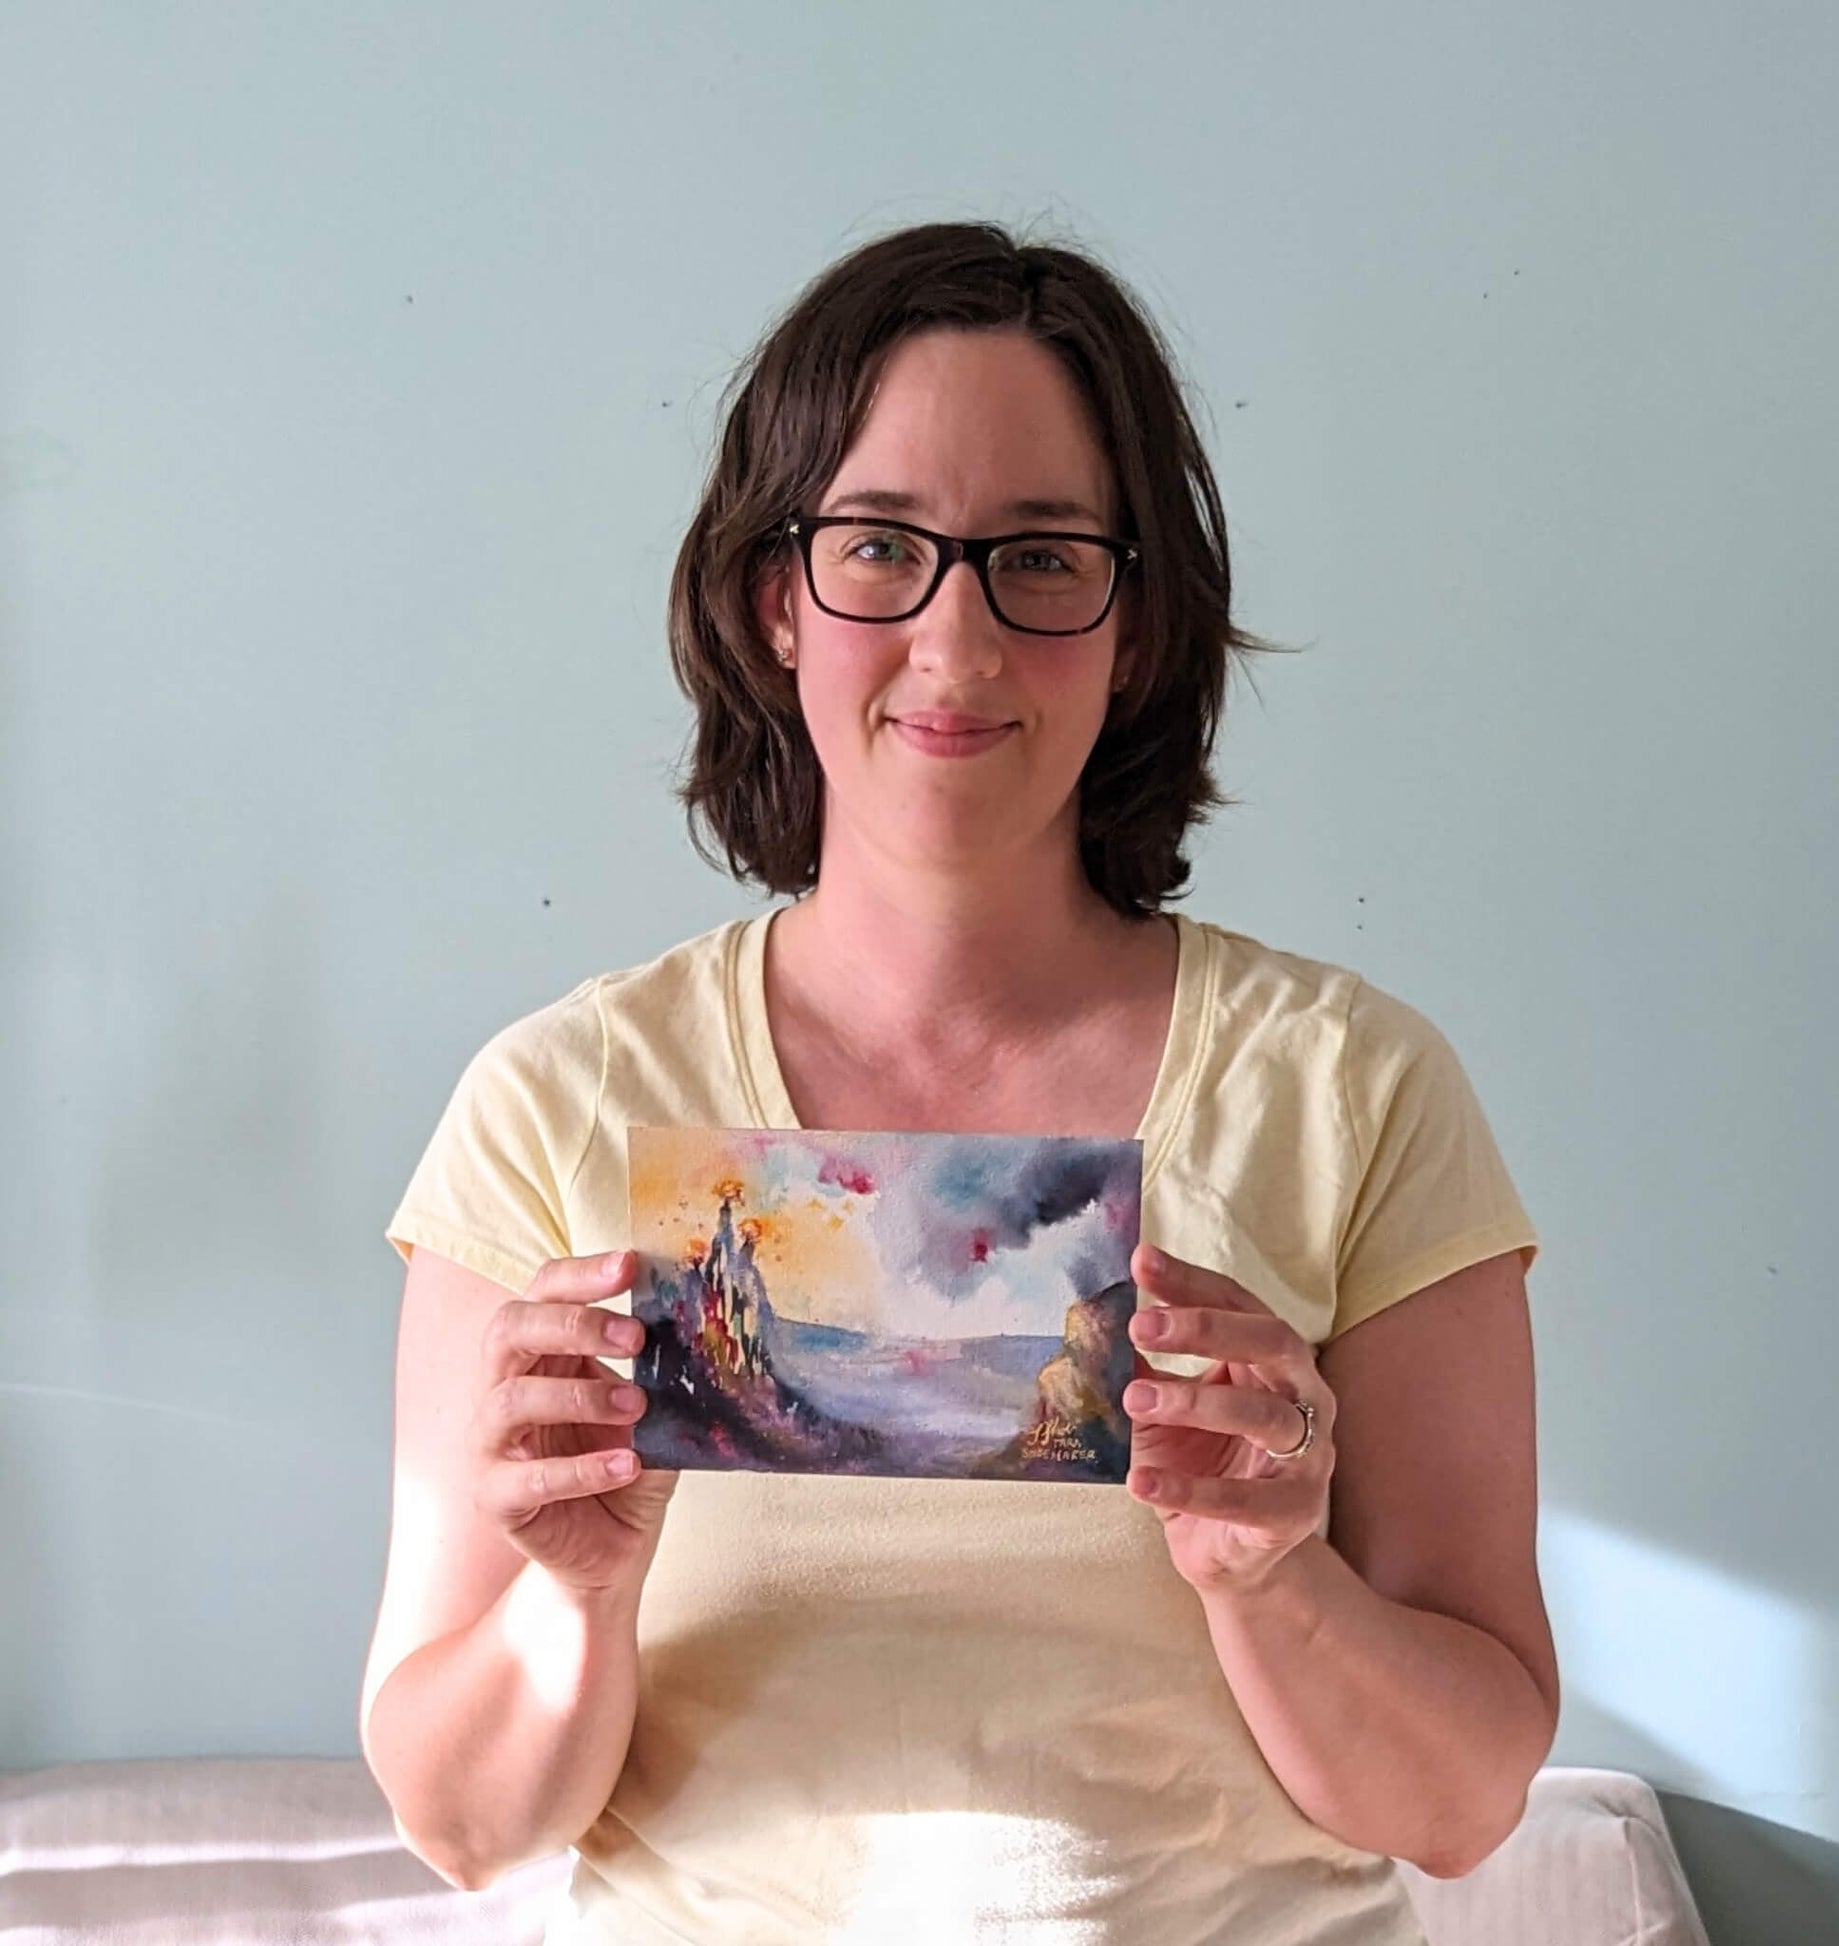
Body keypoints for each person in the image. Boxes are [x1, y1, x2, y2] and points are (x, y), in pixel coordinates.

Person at [360, 221, 1556, 1946]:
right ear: (776, 600)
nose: (956, 636)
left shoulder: (1353, 1087)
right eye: (878, 548)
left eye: (1040, 557)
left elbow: (1457, 1806)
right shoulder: (561, 1098)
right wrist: (577, 1590)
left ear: (1135, 623)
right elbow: (462, 1825)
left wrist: (1274, 1574)